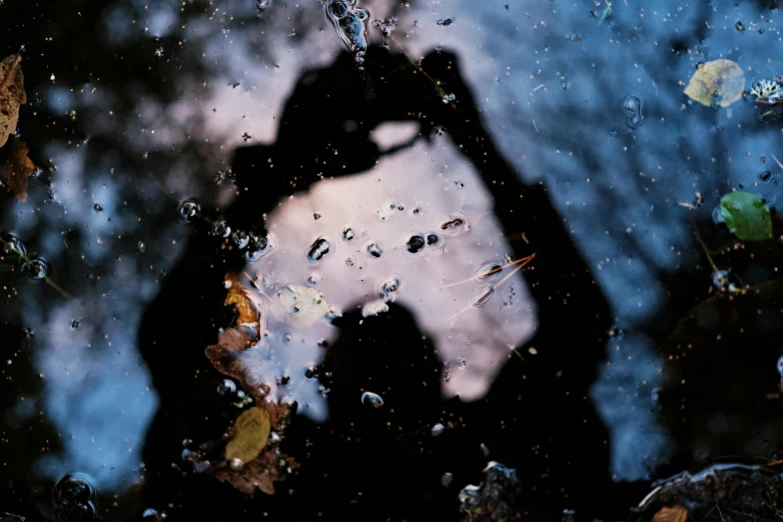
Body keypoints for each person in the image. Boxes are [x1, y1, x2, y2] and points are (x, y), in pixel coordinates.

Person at [137, 44, 633, 521]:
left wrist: (274, 182)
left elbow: (175, 346)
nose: (380, 333)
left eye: (388, 337)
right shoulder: (491, 448)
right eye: (373, 336)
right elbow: (578, 320)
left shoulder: (282, 466)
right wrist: (471, 136)